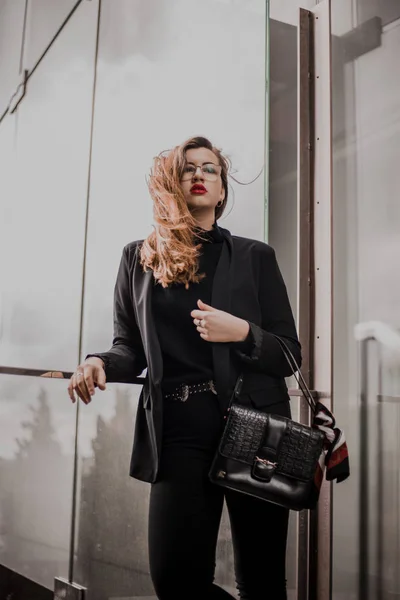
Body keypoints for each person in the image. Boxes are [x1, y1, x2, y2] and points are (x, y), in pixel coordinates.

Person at [67, 136, 302, 600]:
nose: (199, 175)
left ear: (221, 190)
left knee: (261, 580)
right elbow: (128, 347)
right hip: (177, 431)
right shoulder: (138, 258)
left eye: (209, 169)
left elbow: (290, 353)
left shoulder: (256, 257)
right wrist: (98, 361)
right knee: (175, 579)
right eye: (188, 168)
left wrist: (241, 331)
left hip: (254, 427)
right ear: (172, 184)